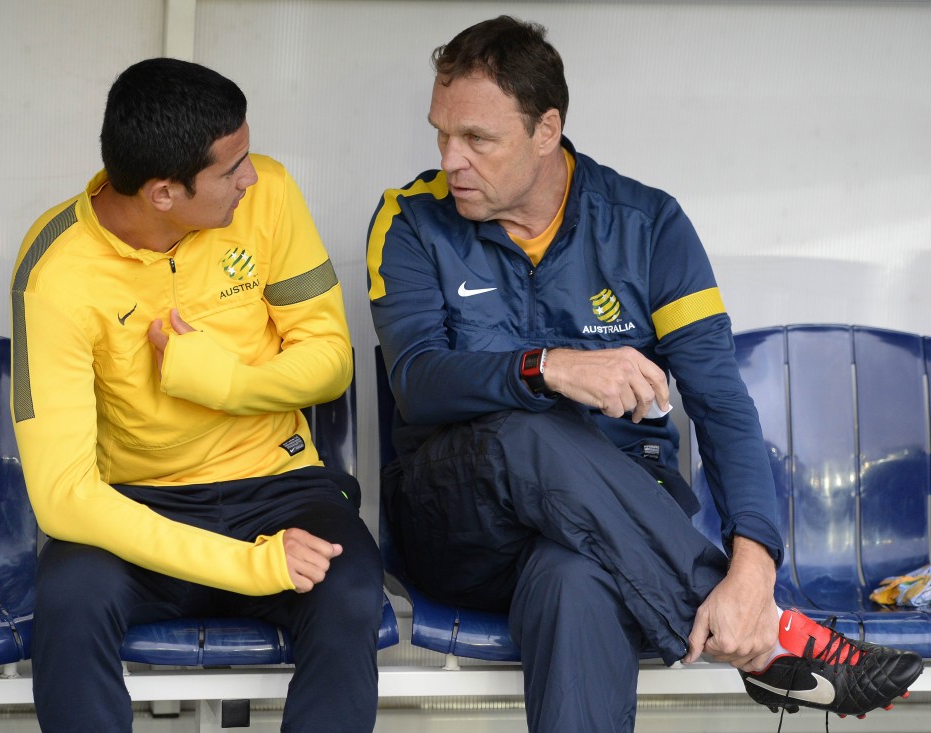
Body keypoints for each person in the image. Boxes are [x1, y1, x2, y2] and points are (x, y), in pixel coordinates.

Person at [366, 16, 921, 732]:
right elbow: (417, 380)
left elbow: (720, 402)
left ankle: (757, 622)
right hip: (462, 521)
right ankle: (774, 643)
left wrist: (752, 569)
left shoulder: (648, 225)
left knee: (576, 580)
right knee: (520, 431)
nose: (451, 160)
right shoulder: (410, 220)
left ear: (546, 130)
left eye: (477, 139)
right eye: (441, 133)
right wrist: (550, 367)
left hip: (615, 527)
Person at [10, 58, 383, 733]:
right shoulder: (55, 272)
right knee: (68, 599)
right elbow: (65, 496)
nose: (253, 175)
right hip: (136, 503)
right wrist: (250, 564)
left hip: (278, 485)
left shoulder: (269, 195)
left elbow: (330, 360)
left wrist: (227, 383)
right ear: (162, 193)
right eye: (231, 167)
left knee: (350, 590)